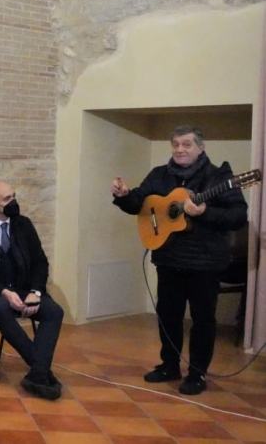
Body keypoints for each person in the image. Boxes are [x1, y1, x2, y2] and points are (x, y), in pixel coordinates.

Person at [111, 125, 247, 395]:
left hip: (205, 262)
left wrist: (205, 211)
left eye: (186, 144)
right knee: (168, 315)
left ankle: (197, 373)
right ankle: (169, 365)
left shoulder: (219, 177)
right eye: (175, 145)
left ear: (200, 147)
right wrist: (125, 195)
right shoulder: (160, 175)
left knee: (202, 319)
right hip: (169, 257)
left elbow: (237, 216)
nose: (180, 150)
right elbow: (141, 203)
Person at [0, 180, 65, 400]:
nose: (13, 202)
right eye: (7, 199)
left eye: (14, 196)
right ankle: (41, 370)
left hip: (24, 287)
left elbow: (39, 262)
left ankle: (37, 373)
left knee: (54, 311)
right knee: (0, 307)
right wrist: (4, 292)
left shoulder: (23, 224)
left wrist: (35, 292)